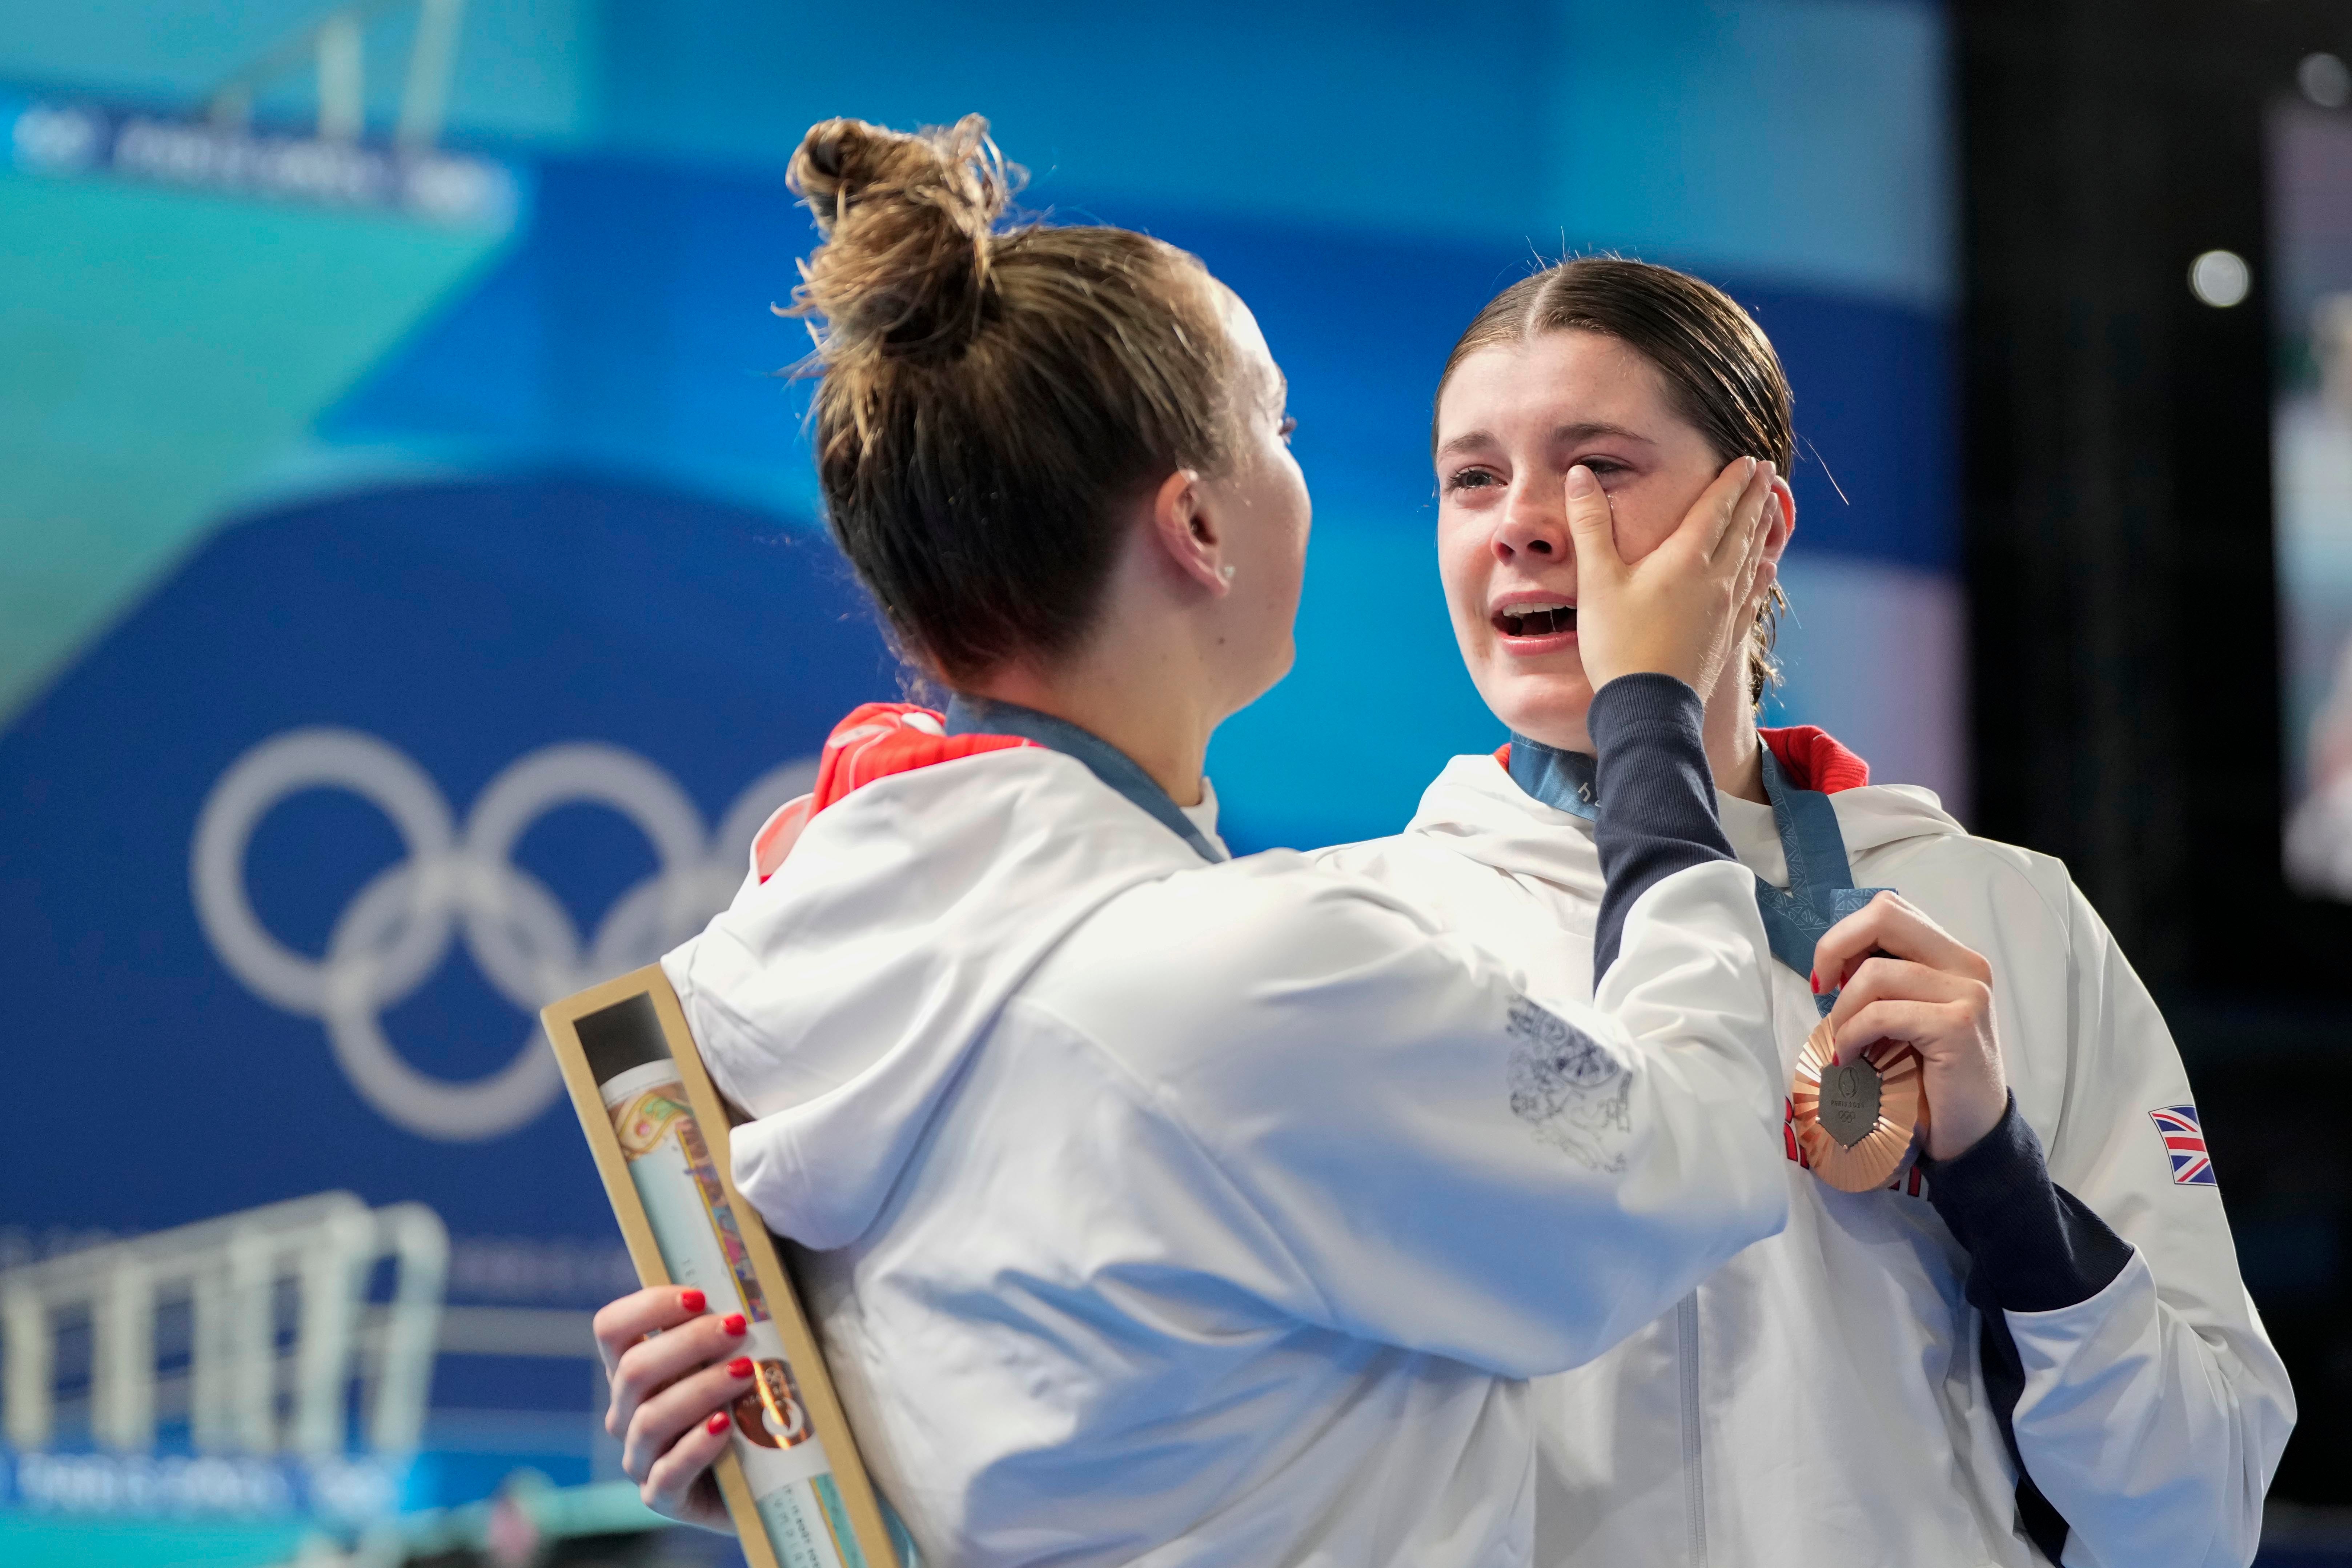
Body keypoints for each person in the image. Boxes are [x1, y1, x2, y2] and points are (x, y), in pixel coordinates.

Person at [591, 118, 1796, 1565]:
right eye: (1276, 428)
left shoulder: (789, 963)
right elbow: (1690, 1153)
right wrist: (1652, 714)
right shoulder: (1265, 976)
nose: (1524, 522)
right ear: (1198, 526)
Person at [1317, 256, 2295, 1568]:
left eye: (1596, 466)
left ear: (1760, 527)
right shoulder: (1365, 933)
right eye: (1473, 477)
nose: (1525, 524)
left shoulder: (2011, 917)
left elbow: (2199, 1513)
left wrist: (2004, 1187)